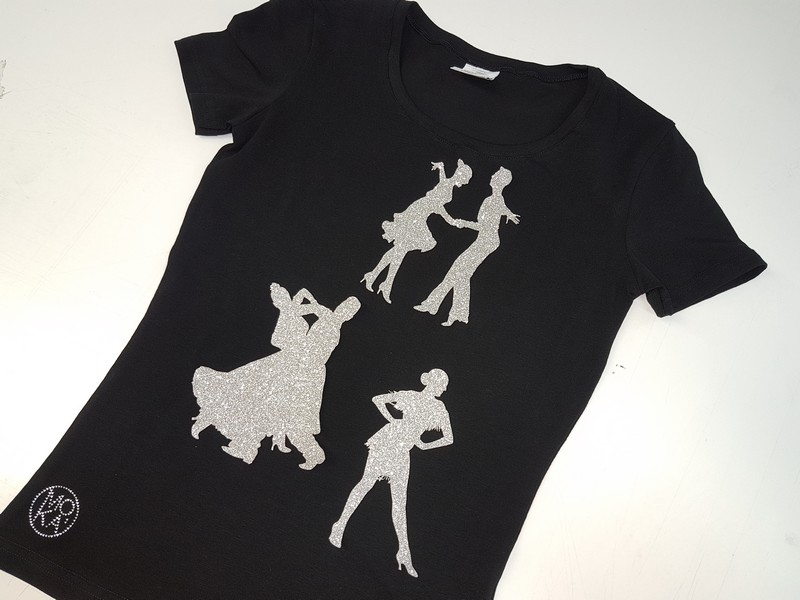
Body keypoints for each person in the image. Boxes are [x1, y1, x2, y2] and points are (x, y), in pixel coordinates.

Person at [329, 369, 454, 578]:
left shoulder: (438, 407)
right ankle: (339, 526)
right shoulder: (412, 396)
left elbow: (449, 438)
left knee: (399, 502)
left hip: (402, 451)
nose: (444, 389)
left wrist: (423, 445)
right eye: (443, 385)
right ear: (434, 383)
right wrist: (394, 421)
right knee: (366, 483)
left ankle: (404, 551)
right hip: (386, 443)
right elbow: (378, 399)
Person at [415, 167, 520, 326]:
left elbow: (484, 226)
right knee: (462, 275)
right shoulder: (494, 199)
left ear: (499, 181)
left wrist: (463, 223)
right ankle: (455, 314)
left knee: (456, 270)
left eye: (495, 175)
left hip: (486, 241)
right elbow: (502, 208)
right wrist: (509, 214)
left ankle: (434, 306)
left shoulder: (493, 200)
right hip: (486, 240)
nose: (492, 175)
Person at [362, 159, 472, 303]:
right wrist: (451, 220)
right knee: (402, 249)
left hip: (420, 213)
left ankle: (374, 276)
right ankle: (386, 284)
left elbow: (442, 181)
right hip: (417, 213)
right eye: (465, 180)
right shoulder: (447, 186)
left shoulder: (447, 184)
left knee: (399, 249)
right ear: (460, 176)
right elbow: (436, 205)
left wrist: (441, 167)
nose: (465, 183)